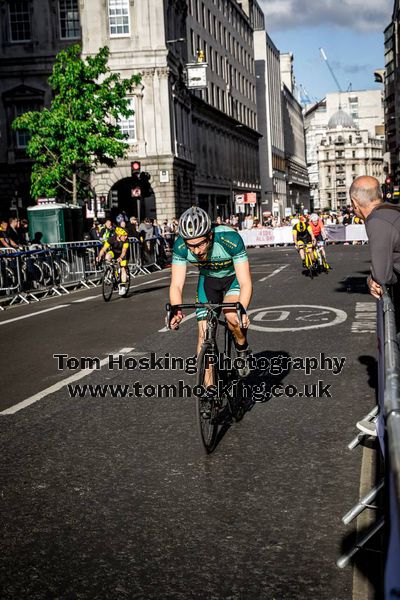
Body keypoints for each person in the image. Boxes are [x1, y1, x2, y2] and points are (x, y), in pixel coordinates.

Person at [168, 206, 253, 377]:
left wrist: (241, 310)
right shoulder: (180, 246)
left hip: (232, 279)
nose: (196, 251)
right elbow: (176, 284)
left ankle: (242, 347)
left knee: (232, 317)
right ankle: (208, 392)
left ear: (210, 236)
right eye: (190, 246)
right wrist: (175, 310)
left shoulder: (229, 238)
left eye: (200, 244)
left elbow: (245, 282)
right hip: (208, 281)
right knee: (203, 334)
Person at [349, 175, 400, 300]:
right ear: (381, 194)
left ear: (355, 203)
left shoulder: (377, 221)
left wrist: (370, 280)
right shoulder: (393, 210)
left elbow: (382, 276)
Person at [96, 226, 130, 295]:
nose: (126, 237)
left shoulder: (126, 241)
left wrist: (120, 257)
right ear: (119, 235)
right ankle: (111, 271)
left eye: (126, 236)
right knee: (107, 256)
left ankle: (123, 286)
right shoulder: (111, 239)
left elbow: (124, 251)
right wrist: (99, 256)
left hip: (123, 255)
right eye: (124, 236)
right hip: (114, 252)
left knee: (123, 268)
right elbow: (103, 249)